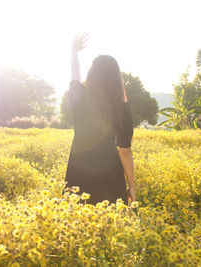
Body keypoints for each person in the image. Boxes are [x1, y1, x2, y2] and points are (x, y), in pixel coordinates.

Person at [64, 33, 136, 205]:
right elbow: (124, 151)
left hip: (78, 170)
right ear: (116, 79)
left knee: (74, 222)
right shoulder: (122, 109)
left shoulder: (79, 96)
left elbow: (75, 73)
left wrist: (74, 51)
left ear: (92, 74)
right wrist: (132, 186)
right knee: (112, 226)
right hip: (110, 174)